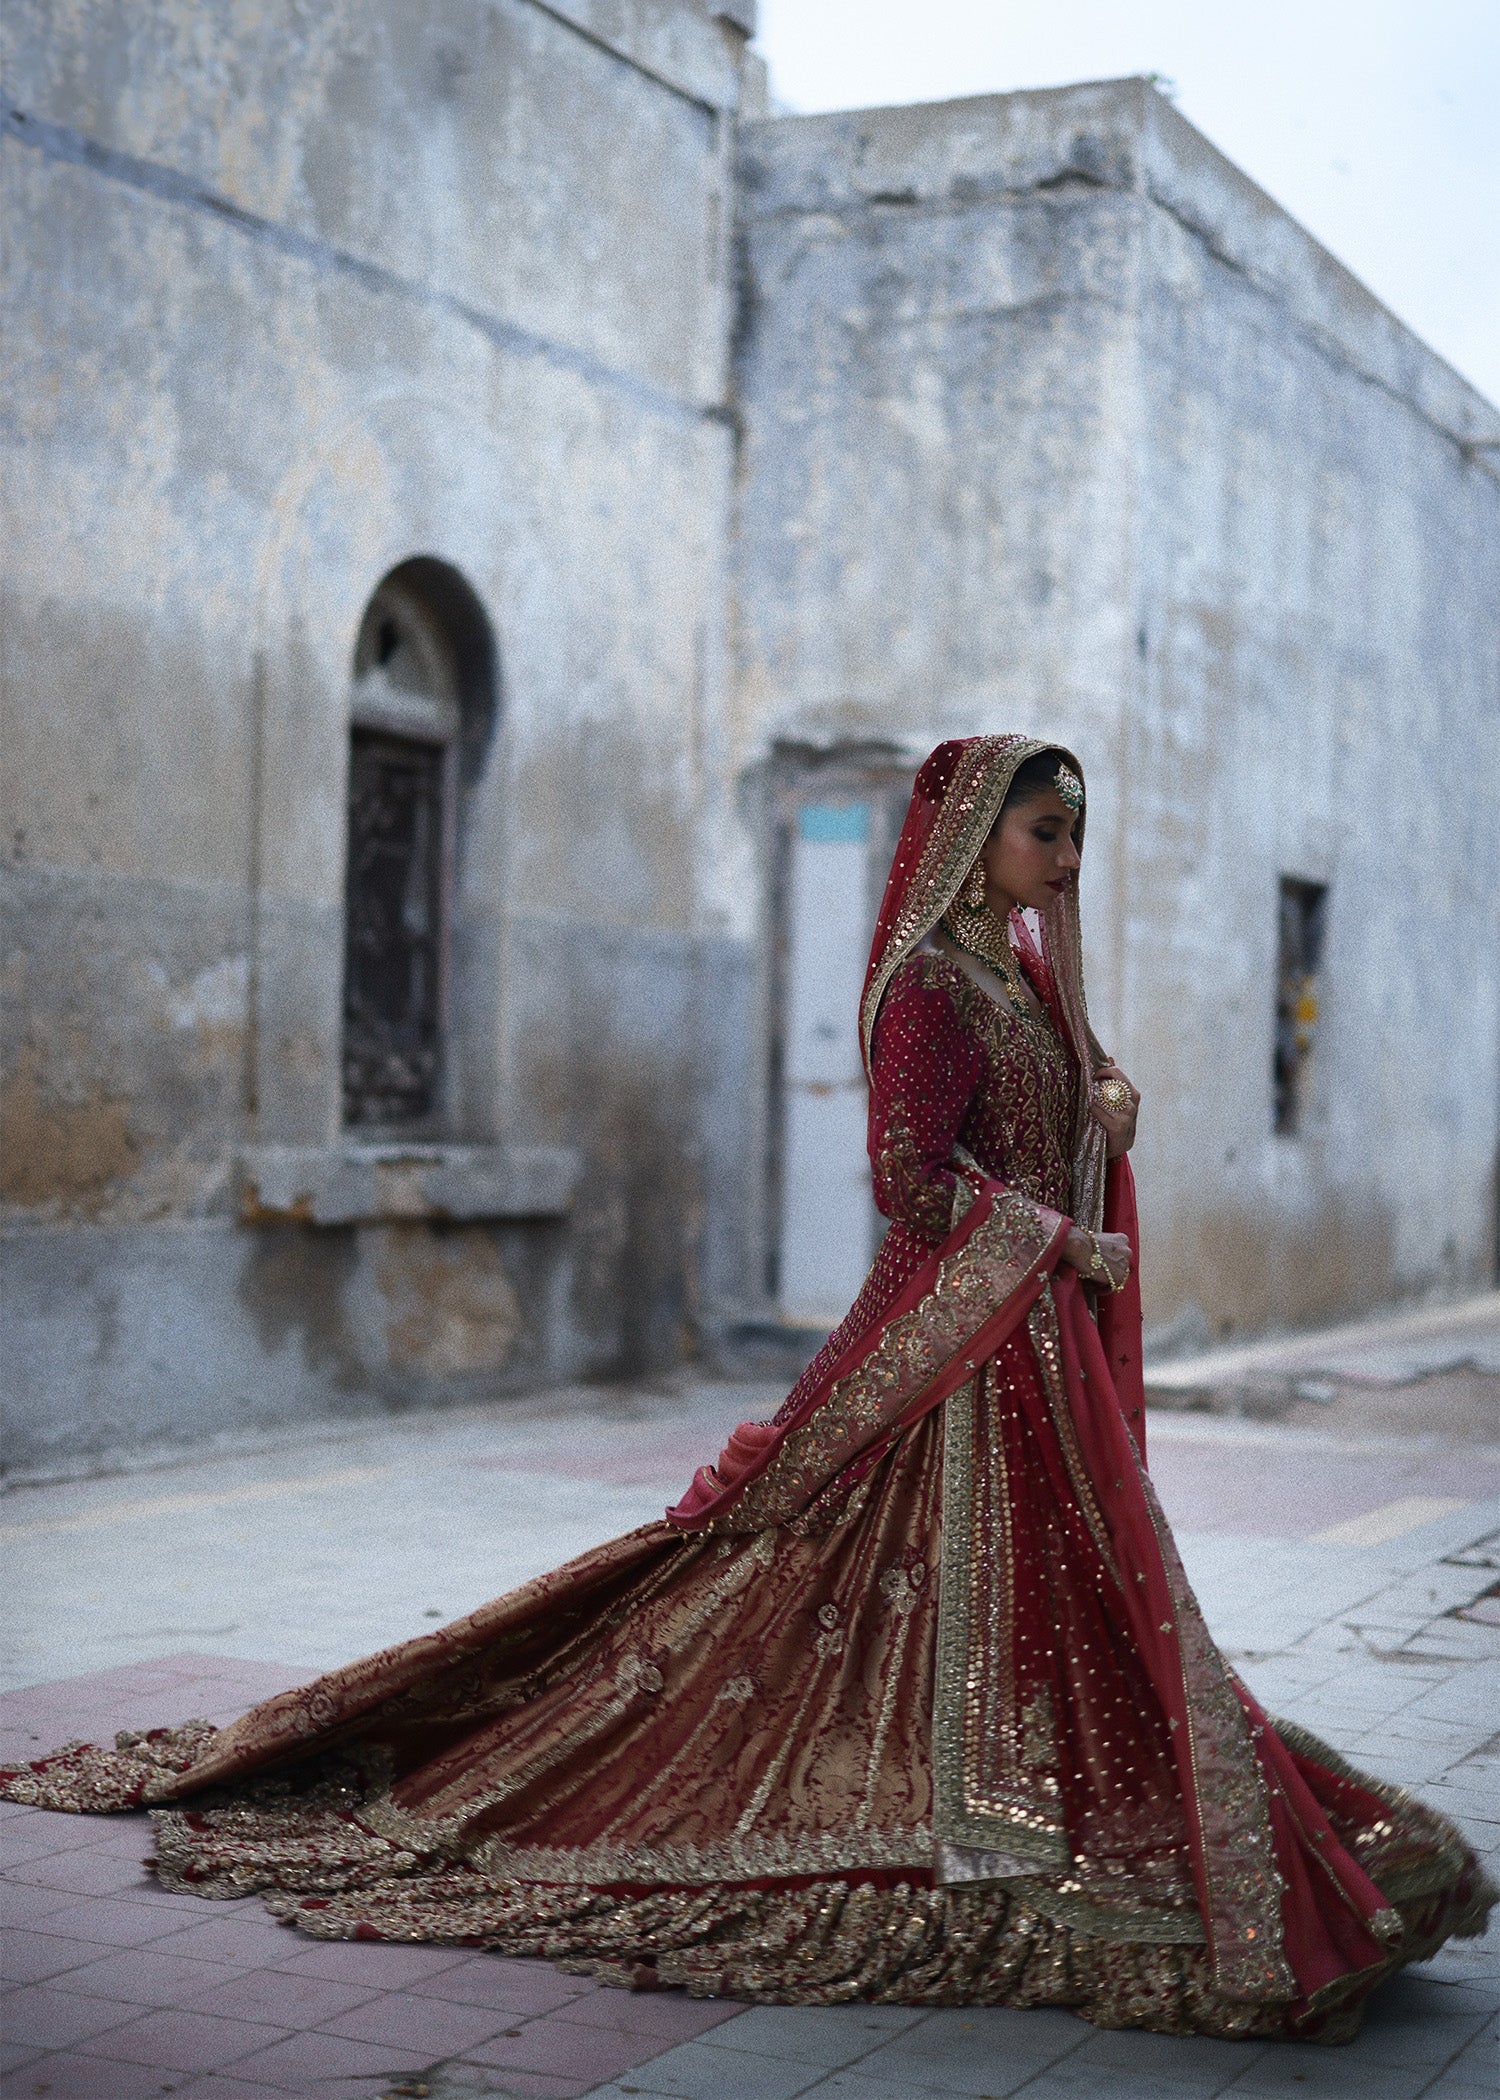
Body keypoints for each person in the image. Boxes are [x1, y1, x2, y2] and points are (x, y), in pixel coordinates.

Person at [4, 734, 1490, 2040]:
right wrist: (1060, 1241)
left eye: (1076, 836)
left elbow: (1042, 1143)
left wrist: (1111, 1119)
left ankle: (1033, 1809)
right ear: (980, 840)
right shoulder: (927, 987)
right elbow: (912, 1185)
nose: (1068, 860)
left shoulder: (1030, 975)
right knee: (833, 1588)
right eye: (1049, 833)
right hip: (954, 1355)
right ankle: (930, 1818)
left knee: (1074, 1603)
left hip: (1029, 1352)